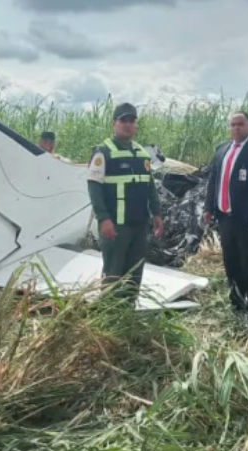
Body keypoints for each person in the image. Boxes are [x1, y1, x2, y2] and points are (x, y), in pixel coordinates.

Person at [87, 103, 164, 304]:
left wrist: (156, 213)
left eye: (131, 121)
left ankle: (127, 317)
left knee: (134, 275)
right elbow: (94, 188)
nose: (128, 125)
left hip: (139, 226)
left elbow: (150, 187)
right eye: (123, 121)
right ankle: (109, 319)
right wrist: (103, 219)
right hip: (116, 227)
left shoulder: (141, 154)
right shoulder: (103, 152)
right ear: (114, 123)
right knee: (113, 275)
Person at [203, 112, 248, 317]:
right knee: (230, 260)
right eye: (232, 125)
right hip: (225, 216)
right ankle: (237, 302)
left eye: (240, 124)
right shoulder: (222, 149)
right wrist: (208, 207)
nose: (236, 128)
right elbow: (213, 181)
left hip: (247, 217)